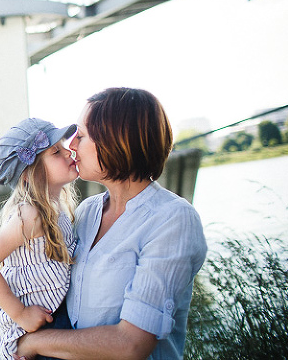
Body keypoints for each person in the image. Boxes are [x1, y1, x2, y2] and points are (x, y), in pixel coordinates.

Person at [16, 88, 208, 360]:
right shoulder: (87, 212)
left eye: (80, 136)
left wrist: (34, 343)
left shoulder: (172, 219)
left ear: (116, 141)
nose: (71, 146)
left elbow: (131, 345)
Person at [0, 118, 79, 360]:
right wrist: (20, 314)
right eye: (56, 152)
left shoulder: (57, 207)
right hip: (38, 323)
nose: (68, 151)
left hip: (55, 313)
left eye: (64, 146)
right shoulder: (30, 214)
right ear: (30, 174)